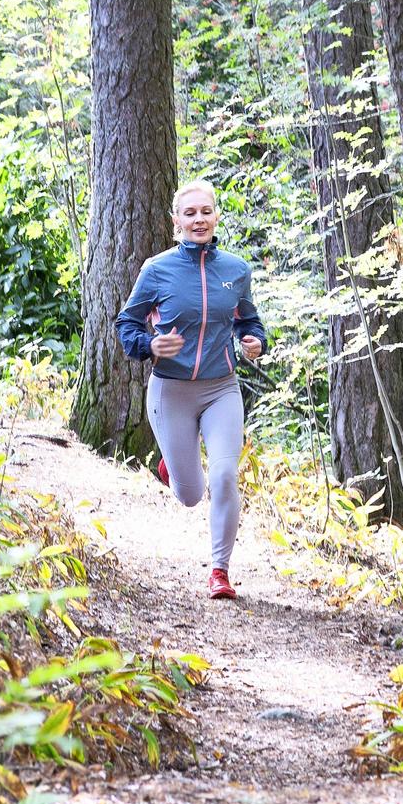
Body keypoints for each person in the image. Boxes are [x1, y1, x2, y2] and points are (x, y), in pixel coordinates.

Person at [116, 179, 268, 599]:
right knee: (190, 495)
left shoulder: (236, 271)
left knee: (224, 475)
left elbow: (248, 321)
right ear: (176, 221)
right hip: (172, 391)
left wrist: (255, 341)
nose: (199, 219)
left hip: (222, 389)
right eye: (190, 213)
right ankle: (171, 464)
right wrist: (149, 345)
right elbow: (127, 323)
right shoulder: (156, 269)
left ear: (216, 216)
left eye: (205, 211)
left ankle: (220, 572)